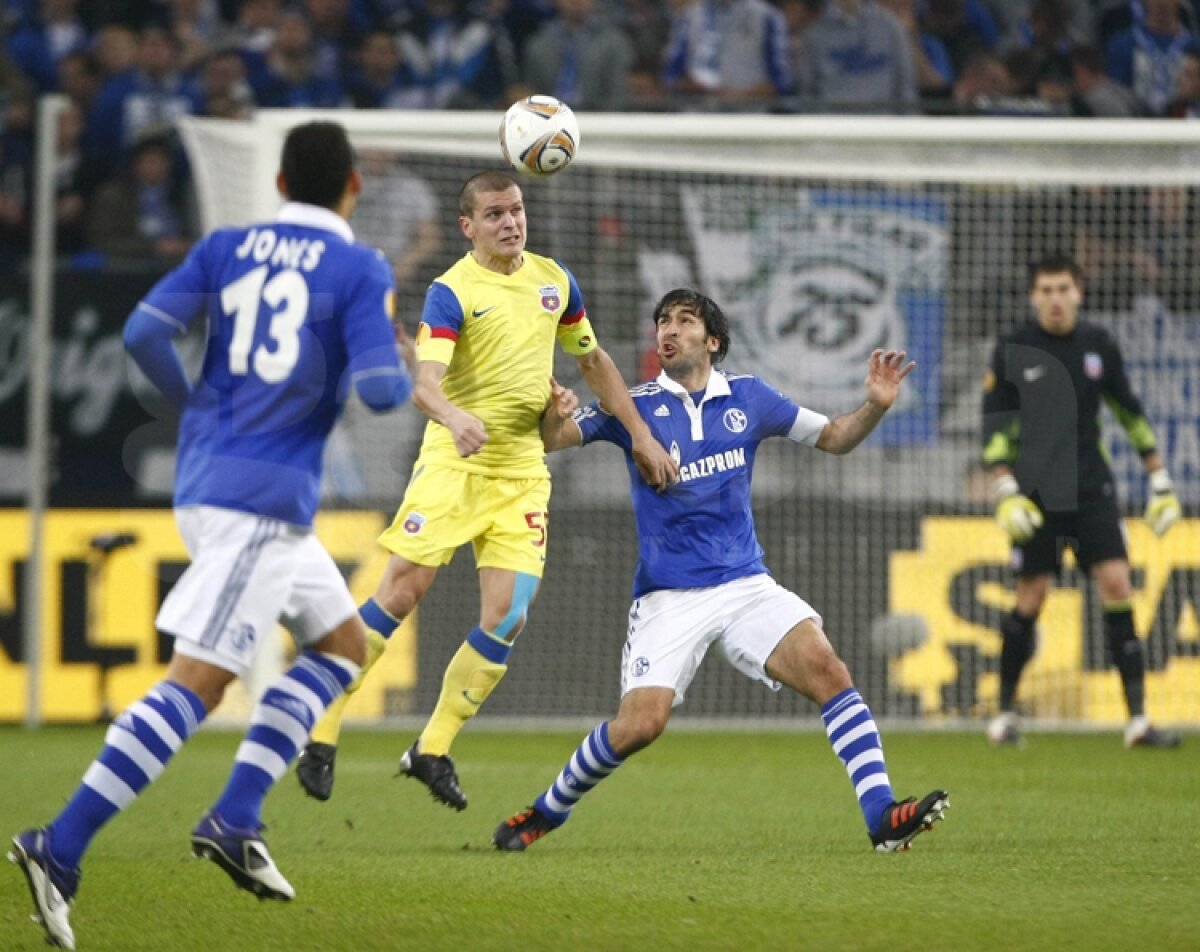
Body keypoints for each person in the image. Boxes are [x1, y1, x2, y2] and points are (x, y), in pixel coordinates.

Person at [9, 120, 414, 951]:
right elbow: (380, 392)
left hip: (211, 478)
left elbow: (142, 333)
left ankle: (235, 816)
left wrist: (197, 402)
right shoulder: (359, 267)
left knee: (343, 645)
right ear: (353, 186)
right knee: (198, 682)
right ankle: (60, 845)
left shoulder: (227, 245)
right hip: (261, 502)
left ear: (279, 183)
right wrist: (394, 352)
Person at [492, 288, 948, 853]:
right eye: (663, 320)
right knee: (640, 725)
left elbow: (834, 438)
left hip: (745, 586)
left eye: (684, 321)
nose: (669, 329)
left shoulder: (751, 397)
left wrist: (875, 405)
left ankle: (882, 815)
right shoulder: (631, 407)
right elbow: (553, 440)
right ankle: (547, 810)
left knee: (828, 670)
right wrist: (553, 414)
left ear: (712, 341)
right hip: (669, 596)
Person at [295, 170, 678, 808]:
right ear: (468, 226)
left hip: (522, 473)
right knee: (400, 592)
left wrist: (639, 434)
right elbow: (425, 384)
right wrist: (454, 418)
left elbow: (592, 361)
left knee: (508, 615)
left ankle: (432, 748)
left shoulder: (553, 281)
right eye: (495, 214)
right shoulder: (451, 292)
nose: (511, 222)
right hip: (454, 466)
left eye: (517, 210)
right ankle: (321, 728)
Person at [982, 252, 1182, 749]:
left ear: (1079, 292)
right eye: (1046, 290)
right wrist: (1005, 488)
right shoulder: (1013, 347)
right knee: (1031, 598)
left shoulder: (1099, 345)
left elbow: (1129, 412)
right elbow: (996, 424)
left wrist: (1159, 479)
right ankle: (1004, 715)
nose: (1055, 299)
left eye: (1063, 289)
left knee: (1117, 584)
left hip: (1092, 489)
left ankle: (1138, 721)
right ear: (1034, 296)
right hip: (1036, 495)